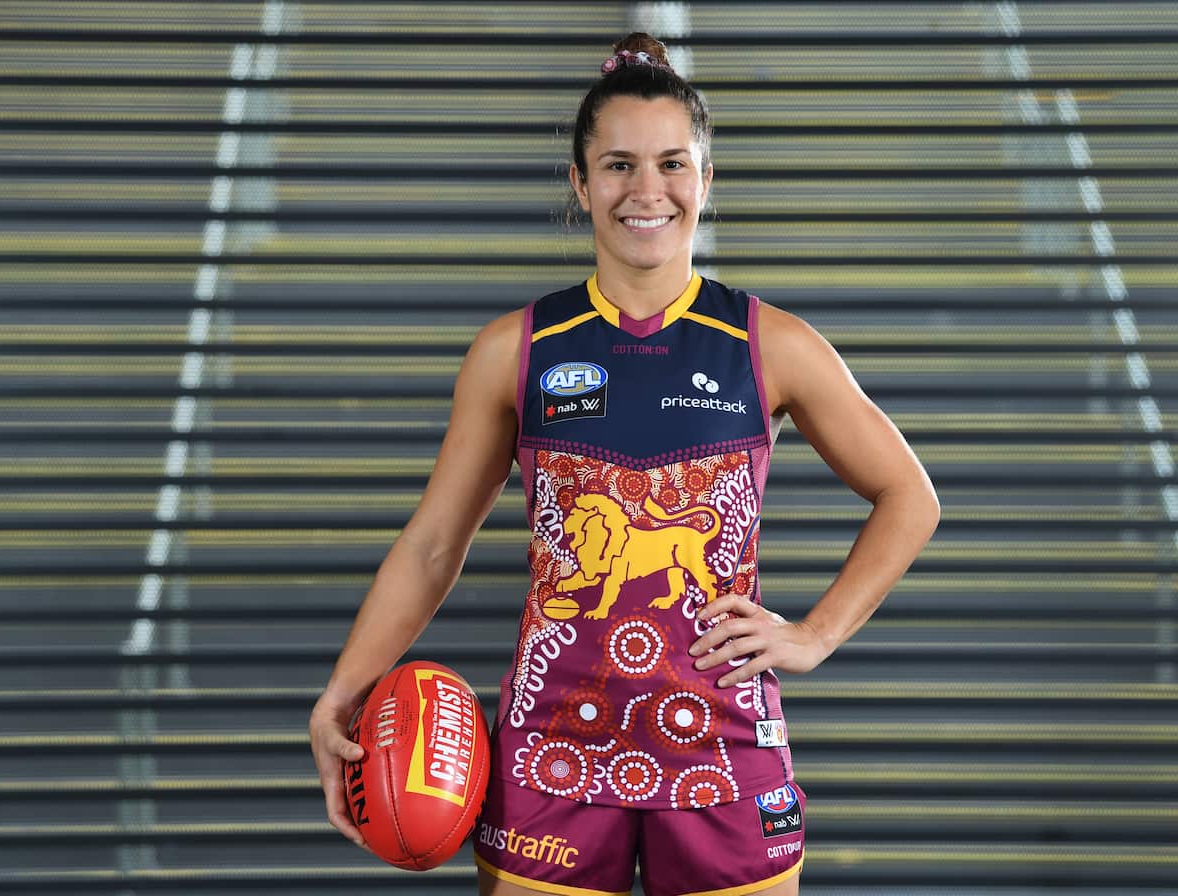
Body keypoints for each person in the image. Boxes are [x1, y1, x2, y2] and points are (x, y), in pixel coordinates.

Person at [310, 32, 940, 896]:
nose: (648, 191)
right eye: (617, 165)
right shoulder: (516, 350)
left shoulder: (769, 344)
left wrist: (815, 634)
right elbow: (432, 546)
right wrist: (345, 691)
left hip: (723, 742)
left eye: (673, 164)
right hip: (551, 745)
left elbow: (909, 495)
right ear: (580, 182)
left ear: (707, 179)